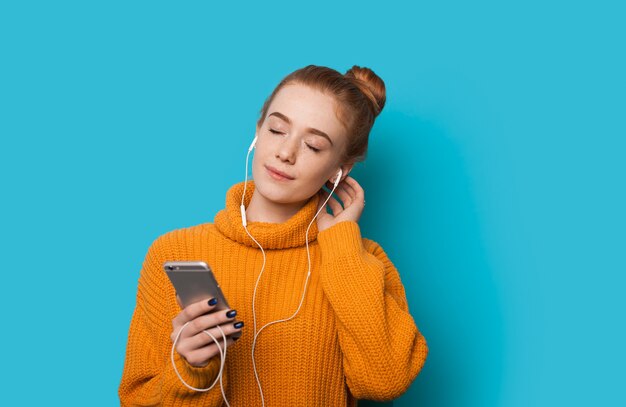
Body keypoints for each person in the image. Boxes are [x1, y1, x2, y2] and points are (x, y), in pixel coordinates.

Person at [118, 64, 429, 406]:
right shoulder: (174, 252)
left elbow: (384, 381)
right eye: (277, 129)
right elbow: (136, 399)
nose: (285, 153)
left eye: (313, 146)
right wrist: (192, 368)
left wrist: (341, 248)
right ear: (257, 131)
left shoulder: (361, 261)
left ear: (340, 169)